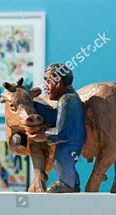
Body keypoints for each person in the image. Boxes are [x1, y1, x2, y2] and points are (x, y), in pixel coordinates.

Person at [42, 63, 87, 193]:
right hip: (73, 140)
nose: (45, 87)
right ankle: (74, 184)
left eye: (47, 81)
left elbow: (61, 133)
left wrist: (42, 134)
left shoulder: (66, 99)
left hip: (70, 142)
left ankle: (67, 184)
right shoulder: (69, 97)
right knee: (66, 161)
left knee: (62, 159)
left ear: (57, 82)